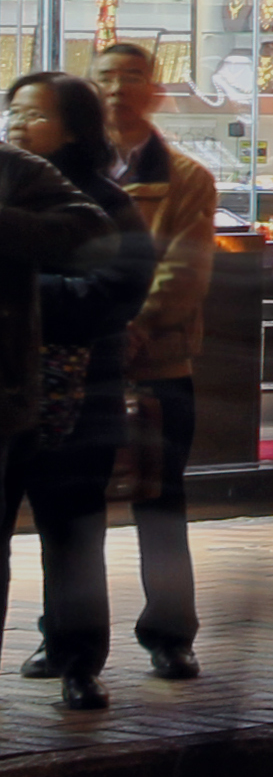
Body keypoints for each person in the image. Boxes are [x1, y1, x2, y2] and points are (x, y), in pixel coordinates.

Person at [4, 76, 149, 713]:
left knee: (73, 531)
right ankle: (52, 641)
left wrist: (31, 300)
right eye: (12, 110)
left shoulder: (99, 203)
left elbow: (117, 288)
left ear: (72, 128)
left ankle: (80, 657)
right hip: (12, 387)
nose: (16, 123)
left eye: (33, 114)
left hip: (79, 388)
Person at [92, 44, 218, 679]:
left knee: (160, 504)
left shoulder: (186, 177)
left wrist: (135, 327)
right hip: (78, 366)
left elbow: (185, 269)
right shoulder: (63, 171)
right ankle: (69, 640)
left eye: (131, 77)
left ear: (155, 89)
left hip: (159, 365)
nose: (117, 89)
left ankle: (170, 634)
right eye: (105, 78)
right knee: (74, 509)